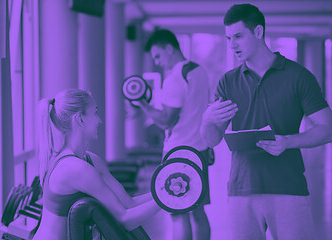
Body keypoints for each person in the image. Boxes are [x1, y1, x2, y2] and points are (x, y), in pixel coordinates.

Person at [200, 4, 332, 240]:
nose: (232, 45)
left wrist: (288, 141)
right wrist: (206, 121)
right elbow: (212, 139)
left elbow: (327, 128)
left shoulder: (298, 76)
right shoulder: (227, 82)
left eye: (238, 36)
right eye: (229, 38)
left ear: (258, 32)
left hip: (288, 188)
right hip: (241, 190)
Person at [32, 89, 161, 240]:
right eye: (95, 113)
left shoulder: (91, 160)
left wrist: (162, 191)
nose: (99, 120)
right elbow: (125, 220)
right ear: (80, 119)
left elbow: (128, 204)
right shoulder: (75, 168)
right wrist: (167, 200)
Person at [138, 29, 211, 240]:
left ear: (169, 48)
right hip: (200, 150)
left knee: (178, 213)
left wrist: (142, 104)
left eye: (158, 56)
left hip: (178, 153)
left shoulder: (174, 79)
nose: (158, 62)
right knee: (198, 211)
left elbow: (166, 120)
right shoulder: (200, 71)